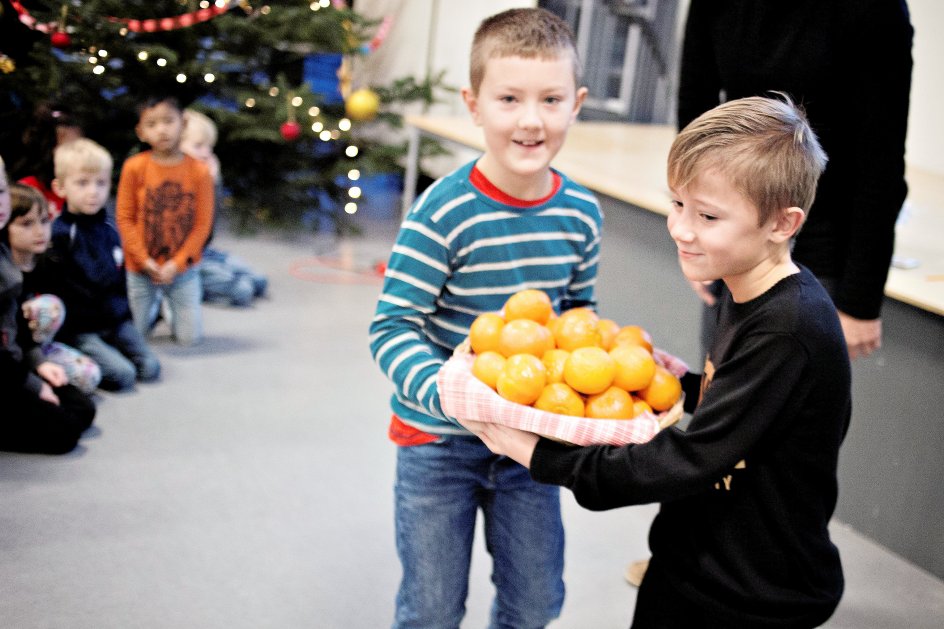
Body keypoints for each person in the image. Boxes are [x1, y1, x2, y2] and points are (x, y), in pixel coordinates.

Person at [459, 96, 852, 628]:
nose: (682, 229)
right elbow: (742, 406)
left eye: (708, 216)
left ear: (782, 223)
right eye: (678, 205)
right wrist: (681, 384)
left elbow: (689, 459)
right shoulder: (746, 285)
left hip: (752, 589)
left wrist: (538, 456)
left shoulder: (788, 328)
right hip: (696, 557)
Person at [368, 8, 596, 627]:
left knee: (536, 602)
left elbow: (576, 315)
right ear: (474, 104)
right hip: (438, 441)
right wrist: (452, 390)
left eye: (550, 99)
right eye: (509, 99)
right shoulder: (441, 213)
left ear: (576, 103)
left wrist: (602, 358)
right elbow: (391, 328)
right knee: (433, 608)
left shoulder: (581, 214)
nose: (530, 119)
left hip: (529, 449)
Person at [676, 0, 913, 361]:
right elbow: (696, 117)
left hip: (824, 244)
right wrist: (696, 231)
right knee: (719, 382)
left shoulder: (874, 11)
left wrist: (859, 301)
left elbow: (881, 163)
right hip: (733, 232)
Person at [0, 155, 96, 455]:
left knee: (81, 408)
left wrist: (38, 363)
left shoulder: (4, 253)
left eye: (1, 190)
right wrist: (32, 384)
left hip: (12, 365)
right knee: (64, 431)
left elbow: (15, 321)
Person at [49, 138, 161, 391]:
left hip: (115, 322)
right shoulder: (60, 234)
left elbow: (119, 279)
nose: (93, 192)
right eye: (82, 183)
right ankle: (81, 355)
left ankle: (110, 348)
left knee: (150, 368)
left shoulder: (110, 228)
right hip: (81, 328)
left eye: (100, 183)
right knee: (124, 376)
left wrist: (125, 317)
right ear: (60, 187)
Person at [115, 95, 214, 346]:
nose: (161, 130)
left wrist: (178, 264)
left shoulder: (200, 172)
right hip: (141, 268)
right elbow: (125, 219)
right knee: (135, 337)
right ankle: (155, 308)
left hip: (183, 270)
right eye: (152, 124)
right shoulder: (134, 167)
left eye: (169, 121)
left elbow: (203, 225)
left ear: (183, 123)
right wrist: (144, 261)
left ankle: (169, 310)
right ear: (140, 131)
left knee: (189, 339)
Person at [6, 183, 102, 394]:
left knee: (90, 376)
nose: (40, 231)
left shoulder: (49, 262)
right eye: (27, 224)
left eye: (44, 221)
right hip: (12, 349)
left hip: (42, 345)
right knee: (47, 307)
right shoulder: (6, 273)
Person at [180, 108, 268, 307]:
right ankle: (191, 290)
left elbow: (208, 232)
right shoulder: (176, 185)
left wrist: (213, 183)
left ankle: (216, 280)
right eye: (198, 146)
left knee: (258, 281)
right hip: (184, 261)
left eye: (209, 147)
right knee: (242, 290)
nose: (206, 153)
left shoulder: (203, 177)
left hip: (203, 252)